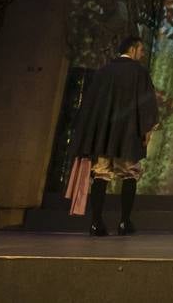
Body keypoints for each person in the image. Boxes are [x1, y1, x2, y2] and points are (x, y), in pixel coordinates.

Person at [64, 35, 160, 236]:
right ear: (133, 49)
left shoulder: (103, 72)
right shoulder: (139, 73)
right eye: (141, 50)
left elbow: (89, 105)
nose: (142, 54)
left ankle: (96, 222)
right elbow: (146, 104)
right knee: (130, 174)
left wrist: (89, 135)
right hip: (128, 135)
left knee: (101, 174)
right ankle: (124, 222)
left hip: (103, 136)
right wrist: (146, 131)